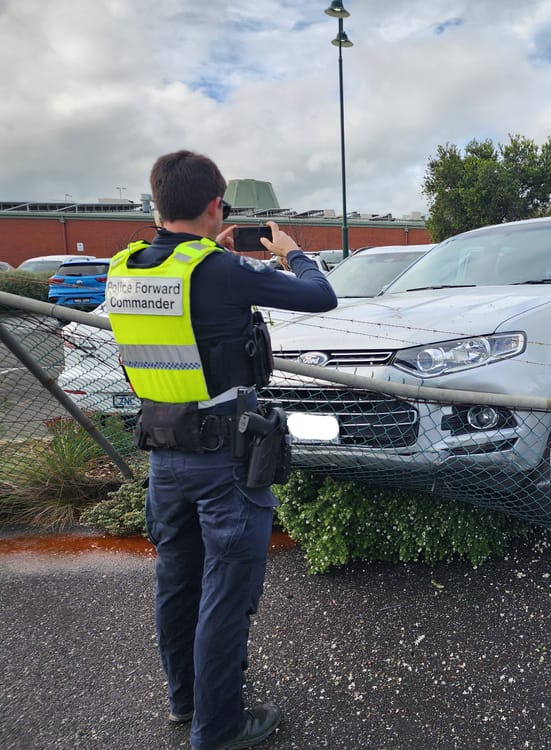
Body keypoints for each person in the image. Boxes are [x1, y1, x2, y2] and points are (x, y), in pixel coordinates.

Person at [105, 150, 337, 750]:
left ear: (159, 204)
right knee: (226, 596)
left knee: (178, 583)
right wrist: (290, 250)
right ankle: (220, 728)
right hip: (223, 460)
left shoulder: (126, 267)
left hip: (163, 456)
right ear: (215, 206)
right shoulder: (220, 270)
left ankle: (186, 701)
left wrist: (221, 255)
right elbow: (320, 296)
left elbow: (188, 316)